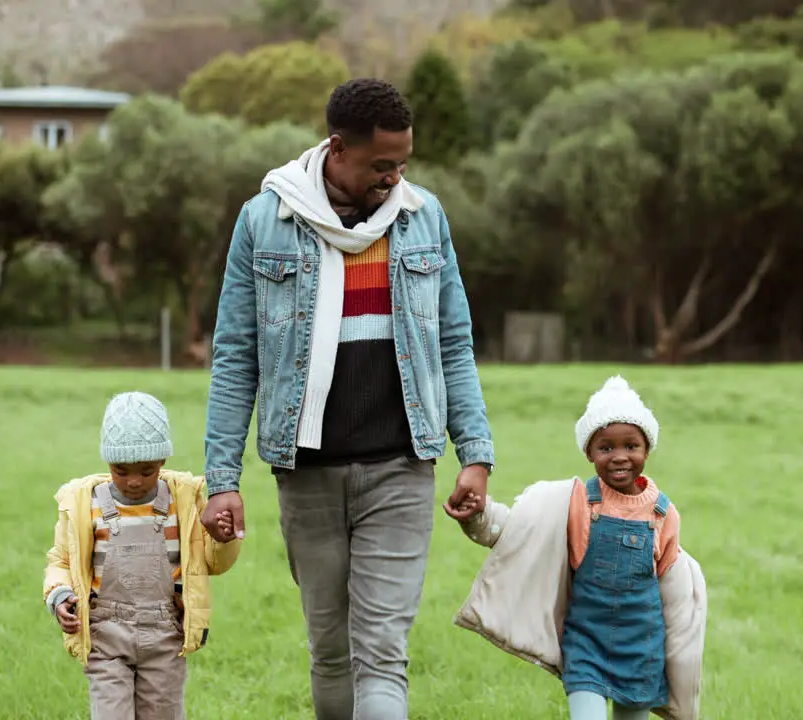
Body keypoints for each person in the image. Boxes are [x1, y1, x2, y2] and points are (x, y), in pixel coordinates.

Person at [200, 77, 495, 719]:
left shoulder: (424, 218)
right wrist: (220, 479)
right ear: (337, 148)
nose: (394, 177)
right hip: (307, 473)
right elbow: (234, 356)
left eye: (402, 163)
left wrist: (475, 451)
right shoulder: (264, 221)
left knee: (382, 655)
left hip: (401, 468)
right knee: (331, 653)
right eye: (380, 165)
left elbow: (453, 343)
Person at [447, 376, 708, 720]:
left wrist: (682, 664)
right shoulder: (576, 502)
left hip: (641, 651)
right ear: (589, 452)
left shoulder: (663, 514)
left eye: (631, 446)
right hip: (587, 645)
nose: (619, 457)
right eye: (606, 447)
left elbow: (674, 594)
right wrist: (477, 515)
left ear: (647, 449)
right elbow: (517, 529)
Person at [44, 391, 242, 719]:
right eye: (121, 471)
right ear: (107, 461)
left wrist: (223, 537)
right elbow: (61, 561)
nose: (134, 481)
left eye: (146, 470)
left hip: (165, 637)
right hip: (106, 638)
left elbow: (215, 563)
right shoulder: (83, 504)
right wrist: (59, 594)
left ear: (163, 461)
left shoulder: (185, 503)